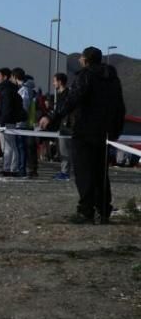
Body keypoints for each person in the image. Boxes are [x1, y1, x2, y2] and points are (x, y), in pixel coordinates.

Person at [39, 47, 125, 224]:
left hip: (84, 130)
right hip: (104, 132)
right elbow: (120, 106)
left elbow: (72, 99)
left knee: (84, 172)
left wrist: (51, 116)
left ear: (85, 60)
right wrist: (116, 130)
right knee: (101, 172)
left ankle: (86, 211)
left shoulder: (85, 76)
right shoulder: (113, 79)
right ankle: (103, 210)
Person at [50, 73, 72, 181]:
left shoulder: (66, 95)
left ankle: (65, 172)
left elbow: (61, 111)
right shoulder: (62, 94)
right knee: (63, 150)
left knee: (65, 150)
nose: (53, 83)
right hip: (63, 125)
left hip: (67, 125)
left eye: (54, 81)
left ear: (59, 82)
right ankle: (64, 171)